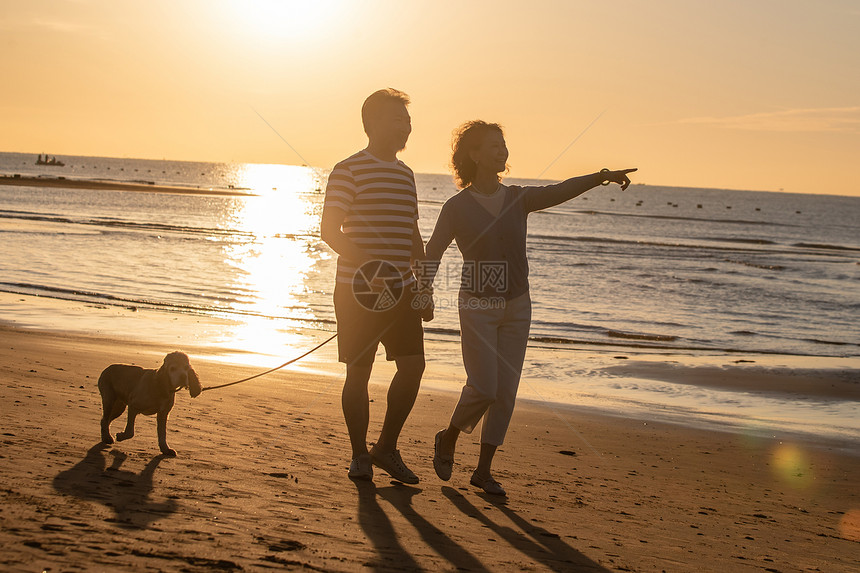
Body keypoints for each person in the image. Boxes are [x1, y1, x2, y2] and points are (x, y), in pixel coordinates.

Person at [423, 120, 635, 496]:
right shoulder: (456, 207)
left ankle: (483, 471)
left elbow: (560, 191)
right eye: (492, 145)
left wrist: (600, 176)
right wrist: (423, 293)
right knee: (484, 387)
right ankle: (449, 436)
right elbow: (433, 252)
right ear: (473, 154)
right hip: (477, 305)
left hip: (518, 305)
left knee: (505, 392)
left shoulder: (518, 198)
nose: (501, 151)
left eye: (503, 144)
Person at [320, 88, 432, 484]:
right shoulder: (348, 169)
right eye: (397, 119)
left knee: (413, 366)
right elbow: (330, 231)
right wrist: (371, 267)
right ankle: (358, 455)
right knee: (359, 371)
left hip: (402, 290)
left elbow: (411, 232)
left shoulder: (406, 174)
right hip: (358, 291)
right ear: (372, 124)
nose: (405, 127)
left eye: (408, 121)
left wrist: (424, 286)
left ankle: (385, 447)